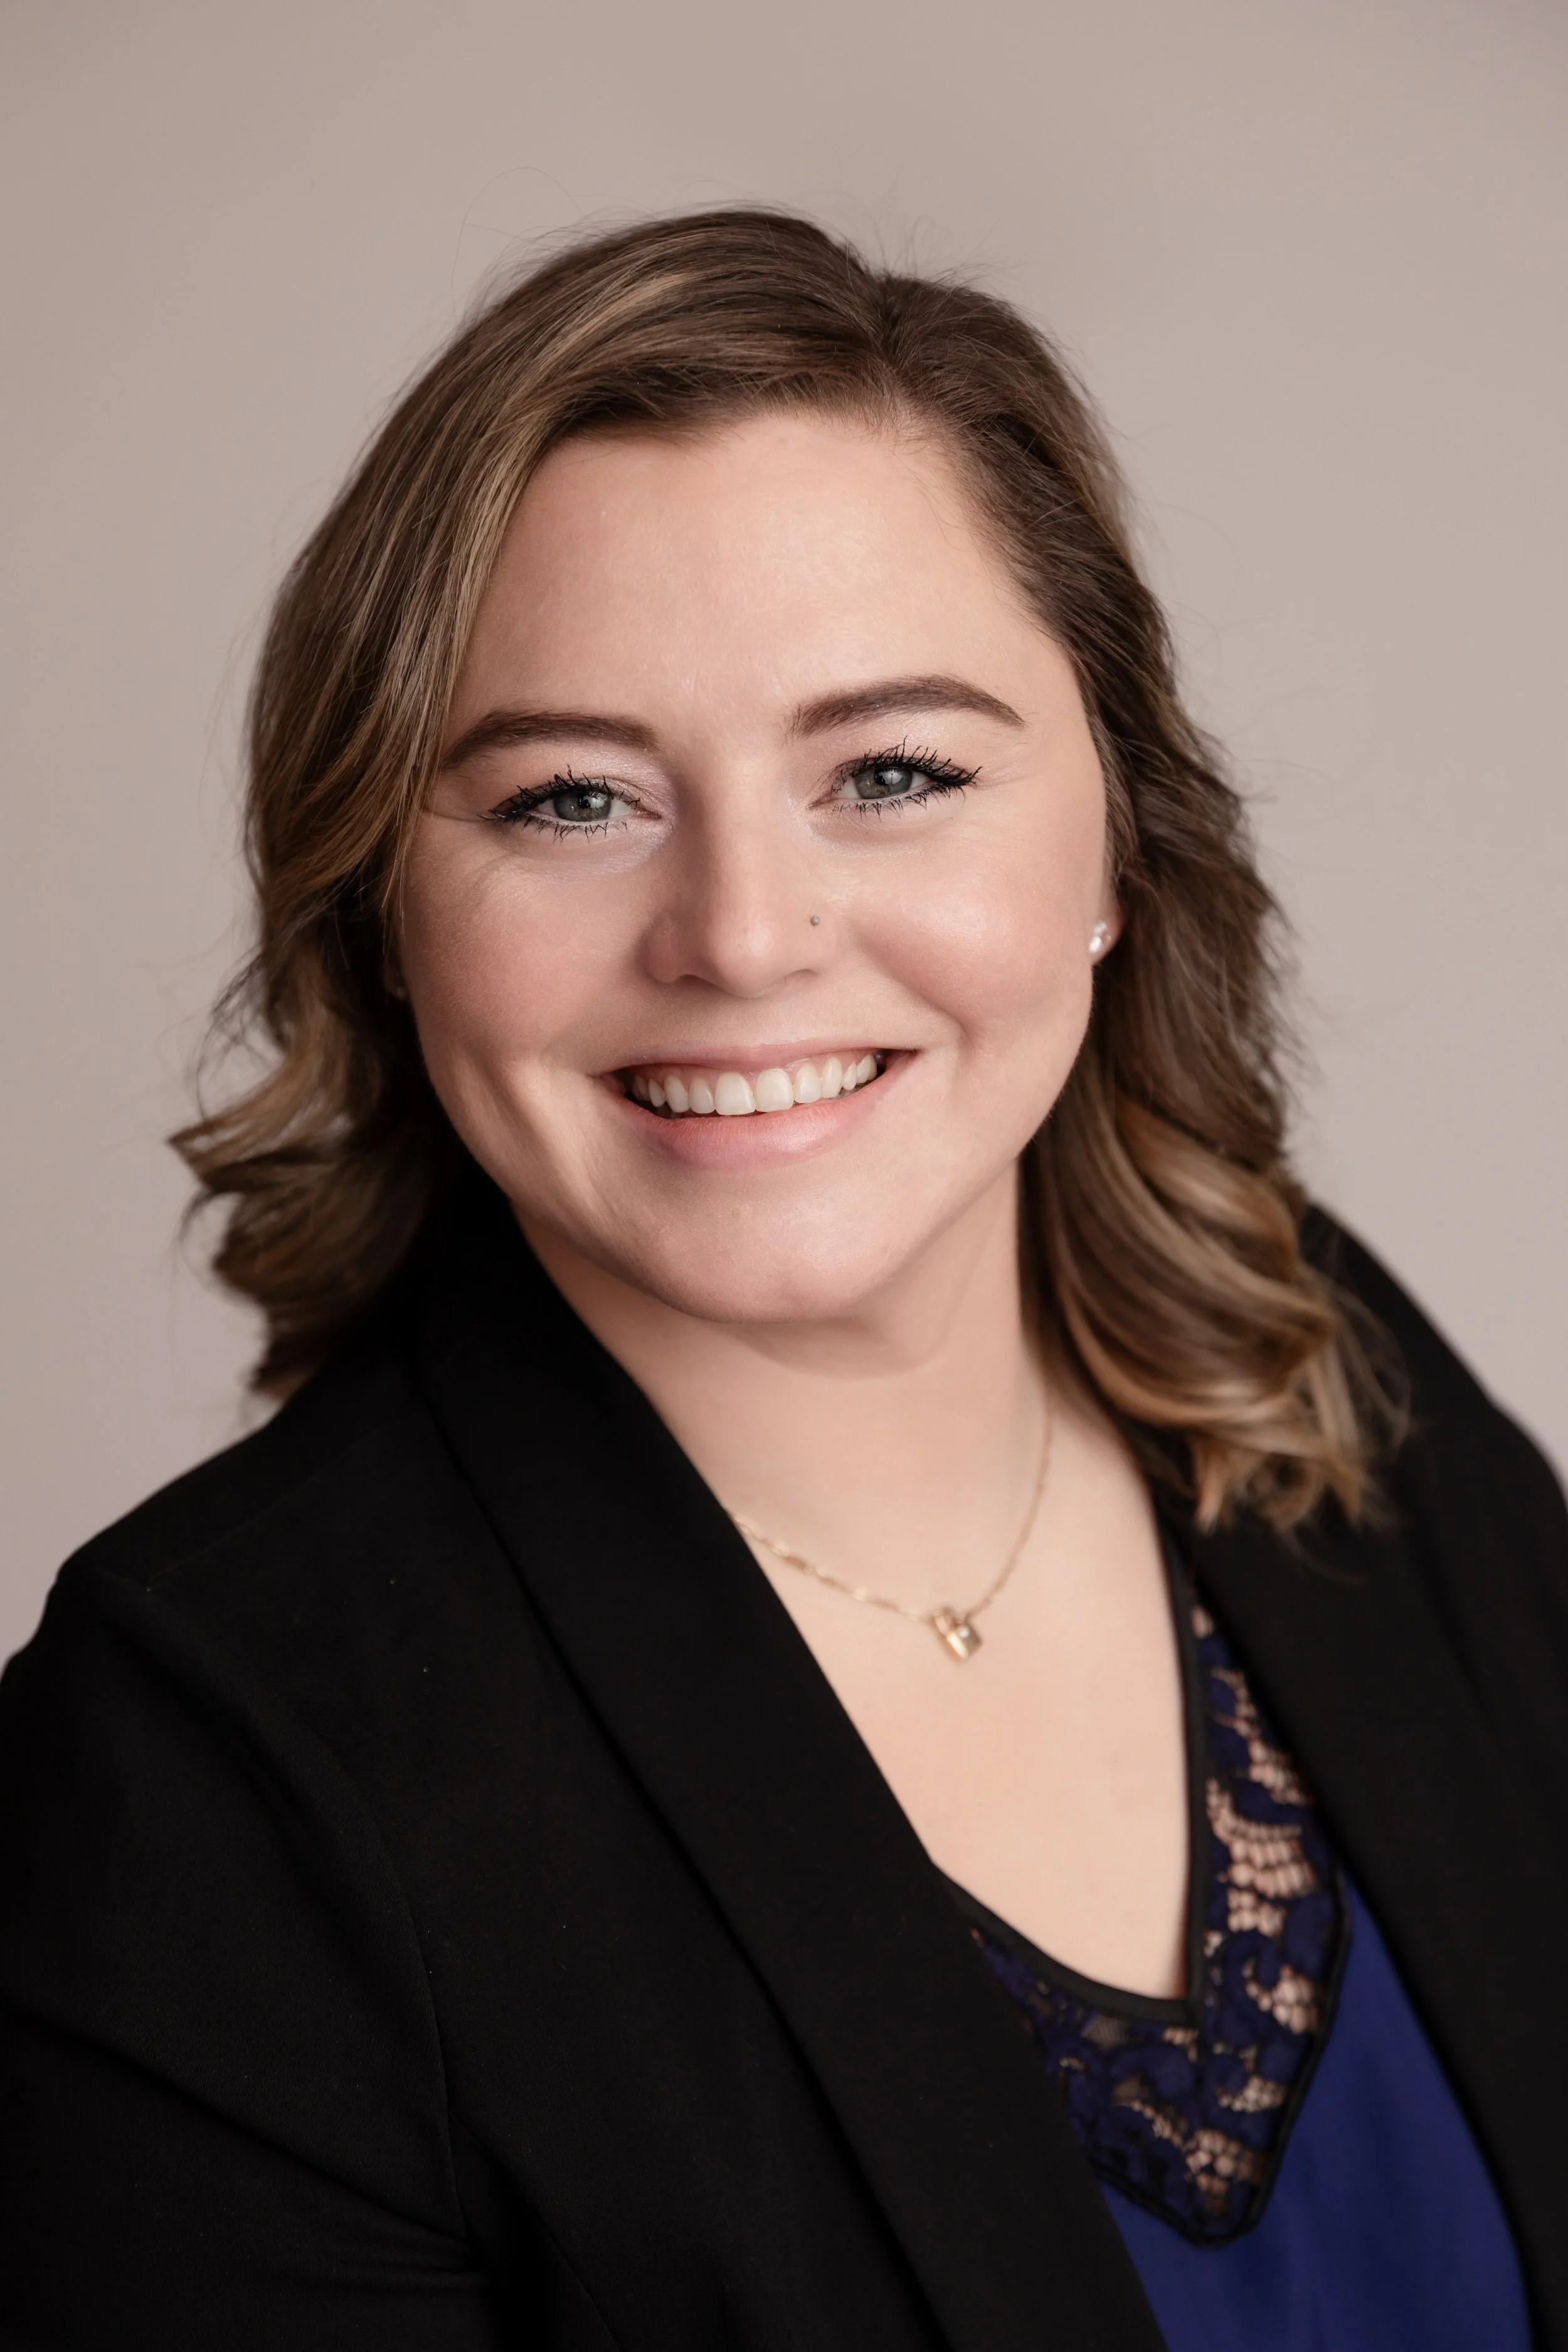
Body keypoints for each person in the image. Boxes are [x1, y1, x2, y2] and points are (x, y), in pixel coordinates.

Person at [1, 208, 1564, 2352]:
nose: (740, 933)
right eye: (570, 798)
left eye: (893, 771)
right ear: (385, 908)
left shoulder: (1344, 1387)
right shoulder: (208, 1759)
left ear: (1115, 844)